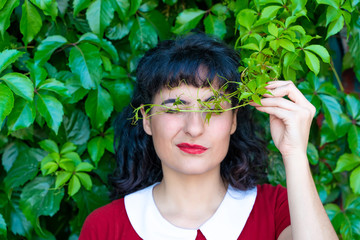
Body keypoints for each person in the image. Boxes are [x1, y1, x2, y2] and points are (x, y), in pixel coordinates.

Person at [79, 33, 337, 240]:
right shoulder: (105, 227)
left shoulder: (276, 209)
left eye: (213, 108)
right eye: (175, 107)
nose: (194, 128)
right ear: (146, 119)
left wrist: (294, 153)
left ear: (233, 121)